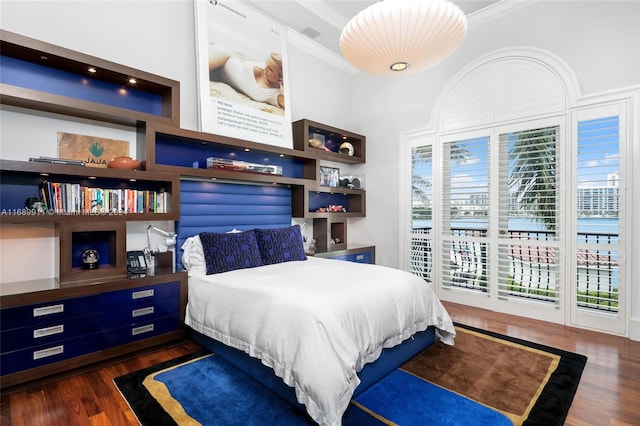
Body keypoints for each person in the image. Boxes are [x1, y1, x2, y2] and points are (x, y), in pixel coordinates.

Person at [209, 44, 285, 109]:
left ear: (281, 77)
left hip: (219, 70)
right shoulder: (264, 68)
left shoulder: (275, 94)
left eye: (270, 69)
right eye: (266, 64)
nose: (265, 68)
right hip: (225, 57)